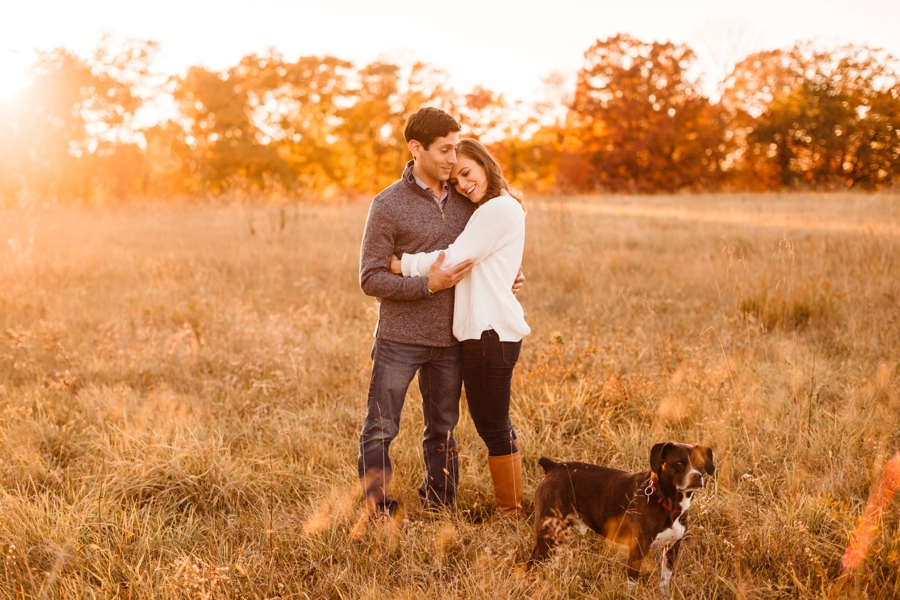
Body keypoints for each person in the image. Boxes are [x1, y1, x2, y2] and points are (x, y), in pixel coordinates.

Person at [391, 138, 530, 518]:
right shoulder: (491, 211)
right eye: (456, 181)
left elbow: (453, 260)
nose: (464, 184)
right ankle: (512, 505)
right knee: (493, 422)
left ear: (486, 165)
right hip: (485, 332)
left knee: (492, 425)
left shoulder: (498, 208)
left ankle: (510, 509)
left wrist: (399, 265)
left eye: (467, 173)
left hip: (490, 332)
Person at [357, 107, 476, 516]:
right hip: (399, 339)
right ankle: (379, 508)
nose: (453, 159)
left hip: (451, 337)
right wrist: (427, 285)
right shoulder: (387, 204)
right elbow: (371, 278)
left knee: (443, 429)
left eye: (456, 149)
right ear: (416, 148)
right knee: (381, 429)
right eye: (445, 150)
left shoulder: (466, 200)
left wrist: (508, 276)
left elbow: (481, 253)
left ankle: (440, 502)